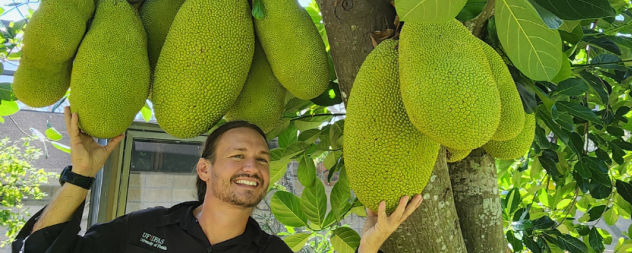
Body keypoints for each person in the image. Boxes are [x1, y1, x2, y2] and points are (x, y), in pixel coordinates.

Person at [12, 106, 424, 253]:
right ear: (204, 169)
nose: (253, 167)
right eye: (238, 156)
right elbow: (41, 249)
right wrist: (83, 175)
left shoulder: (272, 252)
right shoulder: (142, 231)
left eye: (262, 159)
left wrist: (367, 248)